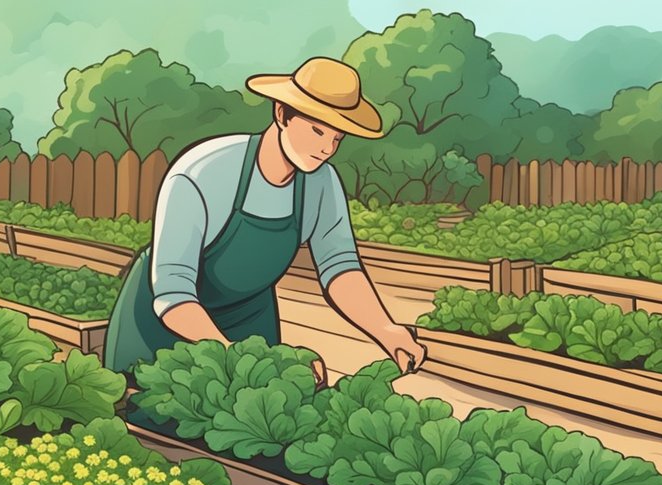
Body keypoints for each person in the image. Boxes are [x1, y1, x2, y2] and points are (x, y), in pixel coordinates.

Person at [103, 56, 428, 382]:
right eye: (317, 130)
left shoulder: (321, 183)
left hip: (250, 322)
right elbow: (174, 292)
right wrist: (240, 359)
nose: (327, 148)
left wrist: (387, 331)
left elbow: (339, 267)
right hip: (165, 329)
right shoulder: (202, 172)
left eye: (337, 138)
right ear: (281, 114)